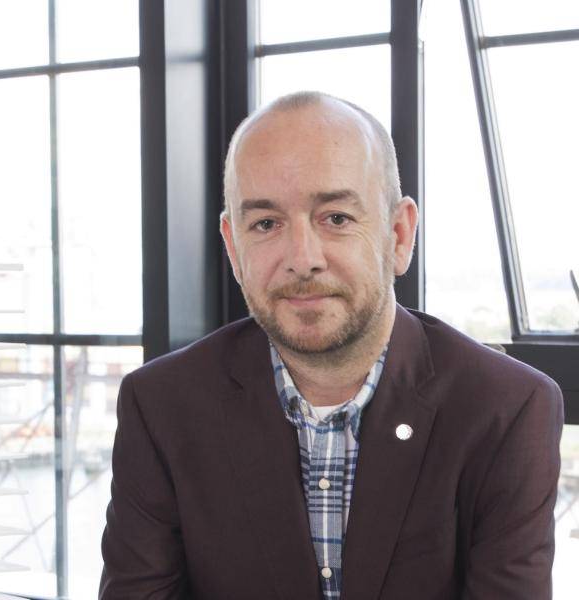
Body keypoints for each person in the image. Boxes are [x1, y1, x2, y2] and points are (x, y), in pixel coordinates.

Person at [99, 91, 563, 600]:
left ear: (399, 234)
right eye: (266, 224)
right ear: (234, 248)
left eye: (336, 218)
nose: (303, 258)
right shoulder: (161, 404)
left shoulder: (506, 408)